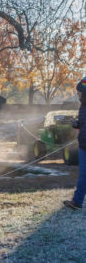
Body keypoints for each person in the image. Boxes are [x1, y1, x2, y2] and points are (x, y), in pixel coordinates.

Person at [64, 77, 86, 210]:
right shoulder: (82, 107)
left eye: (79, 92)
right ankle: (77, 202)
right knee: (83, 174)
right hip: (83, 145)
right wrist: (76, 124)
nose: (77, 94)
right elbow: (83, 124)